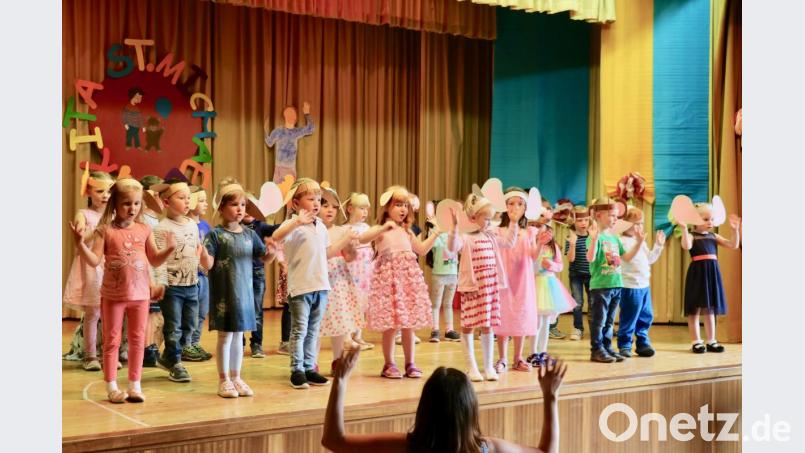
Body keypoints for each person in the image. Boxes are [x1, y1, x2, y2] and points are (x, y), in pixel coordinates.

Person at [322, 348, 565, 453]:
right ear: (470, 410)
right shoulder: (487, 448)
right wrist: (550, 396)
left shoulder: (406, 447)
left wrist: (340, 381)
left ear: (425, 408)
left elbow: (333, 440)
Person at [69, 178, 176, 403]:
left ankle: (135, 385)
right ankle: (112, 386)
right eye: (127, 203)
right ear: (115, 204)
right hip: (113, 296)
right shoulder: (104, 230)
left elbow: (154, 260)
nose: (132, 208)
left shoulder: (145, 229)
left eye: (136, 204)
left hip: (140, 296)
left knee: (137, 340)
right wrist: (80, 244)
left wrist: (169, 249)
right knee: (112, 341)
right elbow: (94, 260)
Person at [203, 178, 276, 398]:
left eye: (243, 205)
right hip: (225, 296)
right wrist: (203, 255)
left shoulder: (249, 234)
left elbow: (264, 257)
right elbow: (208, 265)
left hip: (244, 295)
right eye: (235, 205)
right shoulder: (215, 235)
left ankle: (236, 377)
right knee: (226, 337)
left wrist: (272, 251)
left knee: (238, 337)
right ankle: (223, 380)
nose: (240, 209)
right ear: (223, 208)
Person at [360, 186, 439, 379]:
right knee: (391, 325)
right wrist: (382, 228)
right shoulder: (381, 229)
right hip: (390, 281)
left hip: (408, 279)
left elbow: (421, 250)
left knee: (408, 324)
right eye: (398, 205)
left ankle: (410, 363)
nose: (403, 209)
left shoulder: (408, 230)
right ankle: (389, 364)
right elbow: (362, 238)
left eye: (405, 205)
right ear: (387, 207)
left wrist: (436, 234)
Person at [448, 194, 518, 382]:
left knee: (487, 326)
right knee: (469, 325)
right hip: (472, 287)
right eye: (485, 218)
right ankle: (471, 367)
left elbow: (510, 242)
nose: (489, 222)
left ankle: (487, 366)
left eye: (490, 218)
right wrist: (454, 228)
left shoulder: (491, 235)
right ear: (473, 218)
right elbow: (452, 247)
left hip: (490, 287)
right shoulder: (465, 237)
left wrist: (513, 222)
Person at [63, 170, 114, 371]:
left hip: (111, 266)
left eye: (109, 191)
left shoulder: (115, 214)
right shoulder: (83, 214)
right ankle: (90, 355)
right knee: (93, 313)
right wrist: (101, 227)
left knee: (111, 313)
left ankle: (109, 355)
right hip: (92, 267)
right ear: (88, 192)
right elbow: (81, 240)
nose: (105, 196)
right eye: (100, 191)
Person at [679, 203, 740, 353]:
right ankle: (696, 341)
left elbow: (733, 245)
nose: (710, 222)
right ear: (695, 220)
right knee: (695, 309)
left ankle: (711, 340)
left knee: (710, 308)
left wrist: (735, 231)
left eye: (712, 219)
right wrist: (684, 229)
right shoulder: (692, 236)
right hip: (697, 274)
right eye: (706, 219)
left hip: (712, 273)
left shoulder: (714, 236)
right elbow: (686, 246)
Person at [617, 207, 665, 357]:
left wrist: (658, 245)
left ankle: (643, 342)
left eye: (641, 223)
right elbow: (627, 258)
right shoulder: (622, 240)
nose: (639, 227)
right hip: (630, 286)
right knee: (629, 317)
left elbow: (649, 259)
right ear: (625, 224)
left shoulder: (640, 241)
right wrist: (639, 242)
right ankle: (625, 344)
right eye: (635, 224)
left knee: (646, 315)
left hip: (644, 286)